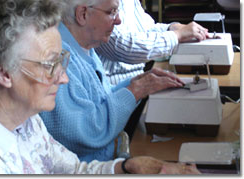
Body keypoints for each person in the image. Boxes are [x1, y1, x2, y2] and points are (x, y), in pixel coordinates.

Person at [0, 0, 201, 175]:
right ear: (3, 73)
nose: (63, 78)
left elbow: (71, 168)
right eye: (50, 65)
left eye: (61, 61)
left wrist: (125, 168)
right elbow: (86, 134)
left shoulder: (28, 123)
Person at [40, 0, 186, 163]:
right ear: (82, 14)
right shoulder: (58, 58)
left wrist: (138, 83)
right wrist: (134, 91)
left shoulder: (83, 47)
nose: (118, 20)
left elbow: (101, 99)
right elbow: (86, 134)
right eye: (111, 12)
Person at [95, 0, 210, 139]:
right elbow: (122, 47)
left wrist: (173, 28)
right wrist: (177, 36)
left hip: (132, 86)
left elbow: (146, 29)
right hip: (114, 97)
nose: (117, 19)